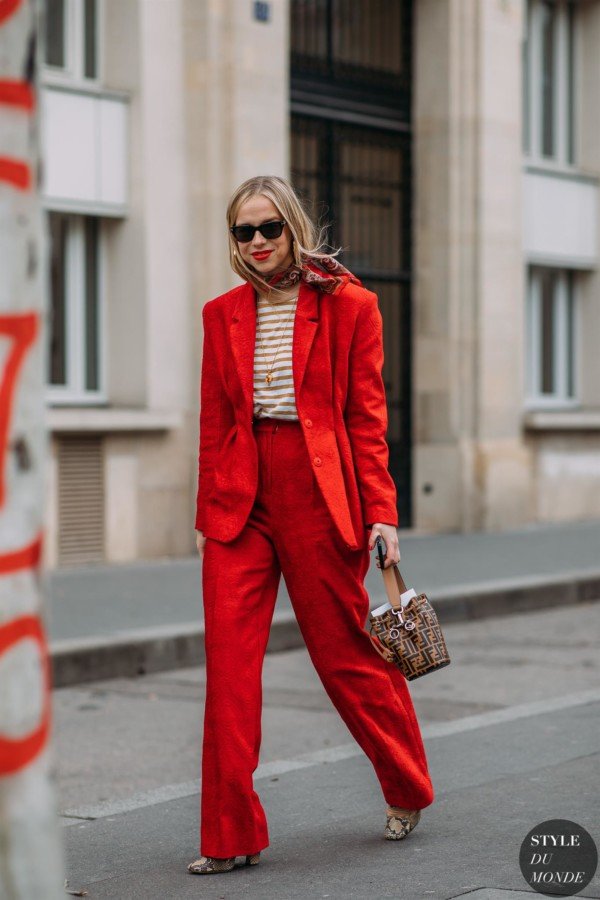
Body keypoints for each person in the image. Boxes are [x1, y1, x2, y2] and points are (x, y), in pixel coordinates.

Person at [187, 175, 434, 876]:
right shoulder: (221, 313)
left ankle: (406, 782)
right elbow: (214, 422)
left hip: (319, 494)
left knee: (344, 655)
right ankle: (229, 835)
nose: (258, 243)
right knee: (229, 672)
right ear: (233, 240)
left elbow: (367, 420)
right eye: (244, 232)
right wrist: (208, 512)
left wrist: (382, 512)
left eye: (270, 228)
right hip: (241, 500)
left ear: (293, 227)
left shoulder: (350, 305)